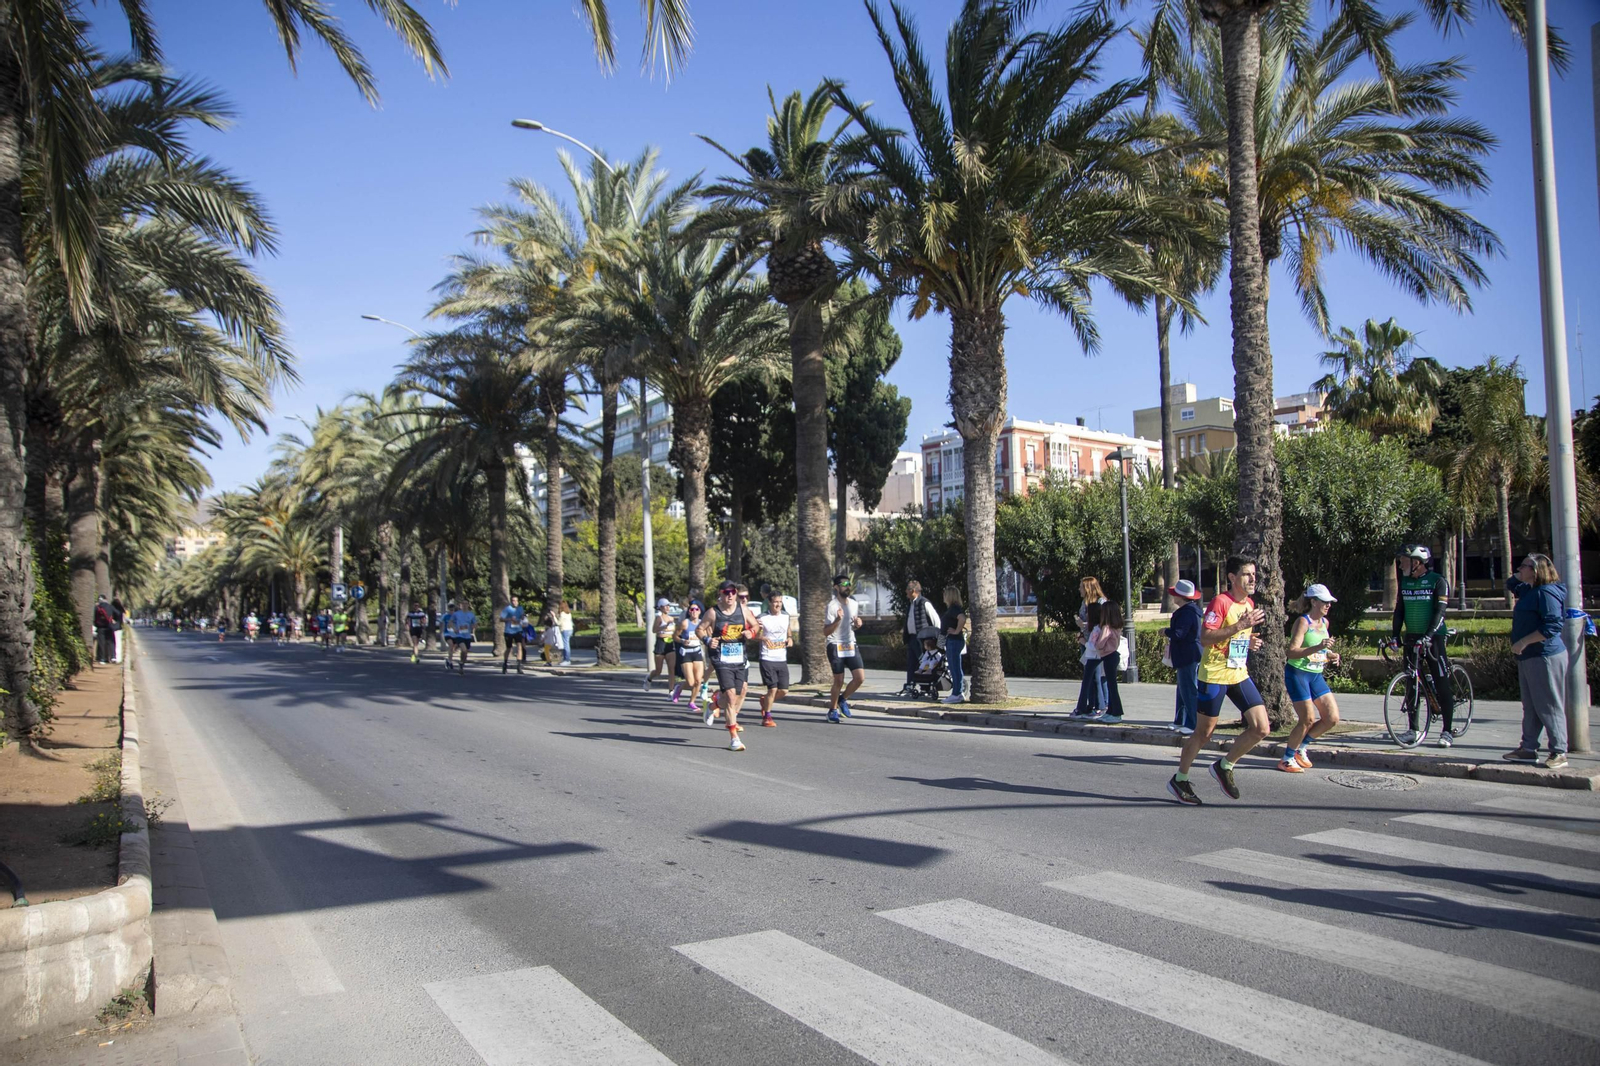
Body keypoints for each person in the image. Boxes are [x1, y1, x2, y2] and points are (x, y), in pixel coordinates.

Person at [1167, 556, 1269, 806]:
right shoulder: (1220, 602)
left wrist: (1249, 640)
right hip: (1214, 675)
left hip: (1237, 673)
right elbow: (1206, 638)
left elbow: (1237, 636)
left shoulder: (1249, 603)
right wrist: (1240, 626)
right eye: (1247, 574)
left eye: (1254, 574)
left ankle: (1225, 765)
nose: (1253, 578)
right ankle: (1180, 779)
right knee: (1204, 733)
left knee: (1261, 728)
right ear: (1232, 578)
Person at [1504, 554, 1569, 769]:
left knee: (1549, 704)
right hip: (1528, 657)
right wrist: (1521, 572)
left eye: (1523, 566)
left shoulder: (1547, 593)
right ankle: (1528, 748)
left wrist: (1523, 641)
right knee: (1531, 706)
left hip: (1545, 656)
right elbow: (1510, 583)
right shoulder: (1527, 589)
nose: (1519, 569)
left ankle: (1559, 750)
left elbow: (1552, 627)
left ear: (1536, 570)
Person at [1389, 544, 1455, 746]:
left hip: (1433, 638)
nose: (1400, 565)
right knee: (1412, 683)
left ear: (1417, 562)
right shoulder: (1406, 582)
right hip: (1412, 636)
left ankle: (1447, 731)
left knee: (1441, 681)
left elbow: (1439, 612)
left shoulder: (1438, 581)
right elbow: (1400, 610)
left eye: (1403, 561)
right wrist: (1395, 636)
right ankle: (1413, 729)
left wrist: (1428, 636)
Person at [1280, 584, 1342, 772]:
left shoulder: (1325, 623)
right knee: (1307, 719)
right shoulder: (1303, 622)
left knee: (1332, 718)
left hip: (1315, 675)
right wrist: (1318, 648)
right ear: (1313, 602)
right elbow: (1291, 652)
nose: (1328, 605)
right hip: (1298, 674)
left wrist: (1330, 654)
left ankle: (1301, 747)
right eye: (1324, 602)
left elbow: (1321, 648)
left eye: (1330, 602)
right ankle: (1287, 758)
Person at [700, 581, 760, 751]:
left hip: (739, 659)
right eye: (727, 592)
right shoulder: (713, 613)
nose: (730, 595)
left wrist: (751, 632)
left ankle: (713, 705)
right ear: (721, 593)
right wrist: (707, 640)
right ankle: (734, 738)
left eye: (733, 592)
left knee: (737, 694)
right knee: (732, 697)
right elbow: (700, 629)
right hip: (721, 659)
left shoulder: (743, 610)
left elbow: (755, 625)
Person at [1162, 579, 1203, 736]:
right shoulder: (1192, 610)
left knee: (1189, 689)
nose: (1173, 597)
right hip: (1188, 655)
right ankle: (1181, 720)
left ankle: (1193, 724)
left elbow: (1180, 633)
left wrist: (1165, 631)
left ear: (1180, 597)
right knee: (1183, 689)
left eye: (1175, 595)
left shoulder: (1187, 612)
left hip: (1188, 655)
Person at [825, 574, 866, 723]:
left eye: (849, 584)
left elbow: (852, 625)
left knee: (860, 678)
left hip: (850, 644)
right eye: (844, 584)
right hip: (835, 644)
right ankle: (832, 710)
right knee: (839, 680)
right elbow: (826, 632)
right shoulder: (832, 606)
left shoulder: (853, 604)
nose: (847, 586)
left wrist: (857, 624)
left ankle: (843, 699)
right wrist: (837, 619)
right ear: (836, 587)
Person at [898, 580, 941, 697]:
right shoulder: (911, 603)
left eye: (907, 590)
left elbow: (936, 620)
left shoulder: (924, 603)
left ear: (912, 591)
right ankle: (910, 686)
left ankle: (925, 688)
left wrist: (936, 637)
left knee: (924, 662)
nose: (905, 592)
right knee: (911, 663)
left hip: (922, 640)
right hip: (912, 638)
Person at [755, 589, 791, 728]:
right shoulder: (762, 618)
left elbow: (787, 629)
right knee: (773, 689)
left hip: (781, 657)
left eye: (780, 602)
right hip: (767, 657)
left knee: (784, 691)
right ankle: (767, 716)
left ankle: (765, 701)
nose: (778, 605)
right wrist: (763, 638)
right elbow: (754, 635)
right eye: (775, 602)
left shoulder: (785, 616)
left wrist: (790, 638)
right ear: (769, 603)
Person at [1073, 578, 1109, 713]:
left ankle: (1102, 704)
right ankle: (1093, 703)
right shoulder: (1084, 602)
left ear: (1088, 588)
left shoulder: (1101, 602)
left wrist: (1084, 625)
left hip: (1096, 643)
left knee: (1099, 675)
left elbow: (1103, 624)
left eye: (1081, 587)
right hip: (1086, 641)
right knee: (1090, 675)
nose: (1079, 590)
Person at [1091, 600, 1127, 723]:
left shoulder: (1106, 627)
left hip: (1108, 656)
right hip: (1113, 656)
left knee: (1112, 686)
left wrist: (1095, 643)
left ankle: (1116, 712)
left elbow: (1100, 644)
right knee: (1112, 685)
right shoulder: (1116, 626)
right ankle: (1111, 711)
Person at [672, 603, 707, 712]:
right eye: (692, 609)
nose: (694, 611)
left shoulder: (703, 624)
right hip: (686, 653)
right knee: (691, 682)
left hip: (697, 652)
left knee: (698, 681)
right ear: (689, 611)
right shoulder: (684, 623)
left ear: (700, 611)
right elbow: (675, 636)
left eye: (696, 609)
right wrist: (682, 640)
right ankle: (679, 687)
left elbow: (706, 636)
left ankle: (691, 702)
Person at [942, 585, 968, 704]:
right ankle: (958, 692)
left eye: (945, 594)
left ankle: (957, 693)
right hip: (952, 640)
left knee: (955, 667)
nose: (944, 596)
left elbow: (962, 618)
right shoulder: (952, 609)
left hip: (954, 640)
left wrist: (957, 631)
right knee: (954, 667)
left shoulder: (954, 609)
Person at [647, 598, 676, 692]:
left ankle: (671, 691)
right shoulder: (659, 618)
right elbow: (654, 630)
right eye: (665, 606)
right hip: (661, 642)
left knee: (671, 669)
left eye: (668, 606)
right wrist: (665, 626)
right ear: (660, 607)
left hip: (670, 643)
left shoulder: (672, 618)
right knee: (658, 670)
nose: (668, 608)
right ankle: (649, 678)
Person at [500, 595, 528, 674]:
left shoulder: (520, 608)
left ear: (518, 601)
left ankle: (519, 666)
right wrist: (509, 619)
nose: (514, 602)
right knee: (509, 648)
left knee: (519, 647)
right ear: (511, 601)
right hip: (509, 631)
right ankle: (505, 664)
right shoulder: (507, 609)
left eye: (516, 600)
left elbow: (522, 616)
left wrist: (523, 617)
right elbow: (501, 619)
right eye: (513, 600)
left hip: (518, 630)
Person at [448, 600, 476, 671]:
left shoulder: (471, 614)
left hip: (467, 636)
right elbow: (450, 622)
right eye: (463, 604)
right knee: (463, 650)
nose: (464, 605)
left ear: (468, 605)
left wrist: (473, 626)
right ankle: (461, 663)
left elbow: (475, 623)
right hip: (459, 635)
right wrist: (454, 628)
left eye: (466, 604)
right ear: (461, 605)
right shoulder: (456, 614)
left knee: (465, 652)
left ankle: (461, 663)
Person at [93, 595, 115, 664]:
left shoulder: (97, 607)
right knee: (110, 642)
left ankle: (102, 659)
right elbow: (116, 614)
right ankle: (112, 657)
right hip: (109, 626)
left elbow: (94, 617)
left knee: (101, 643)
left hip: (100, 628)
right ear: (106, 599)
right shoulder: (110, 606)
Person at [558, 600, 575, 666]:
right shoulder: (569, 613)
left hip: (565, 629)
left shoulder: (562, 614)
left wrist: (553, 616)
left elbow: (558, 623)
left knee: (566, 645)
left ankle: (567, 660)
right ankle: (566, 659)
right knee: (567, 644)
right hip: (570, 629)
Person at [110, 598, 126, 662]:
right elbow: (123, 620)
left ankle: (114, 657)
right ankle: (119, 658)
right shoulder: (121, 610)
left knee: (113, 642)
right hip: (119, 627)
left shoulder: (112, 609)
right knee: (118, 643)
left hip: (113, 627)